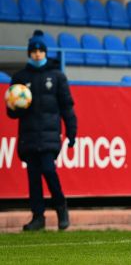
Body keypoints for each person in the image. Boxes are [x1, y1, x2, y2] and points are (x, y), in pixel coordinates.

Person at [6, 30, 77, 231]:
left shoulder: (57, 77)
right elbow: (12, 114)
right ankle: (38, 217)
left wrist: (72, 133)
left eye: (40, 51)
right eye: (34, 51)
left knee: (48, 169)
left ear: (45, 52)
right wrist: (13, 107)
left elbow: (67, 107)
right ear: (29, 53)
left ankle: (61, 206)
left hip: (49, 136)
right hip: (28, 137)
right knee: (33, 177)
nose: (37, 54)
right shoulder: (20, 78)